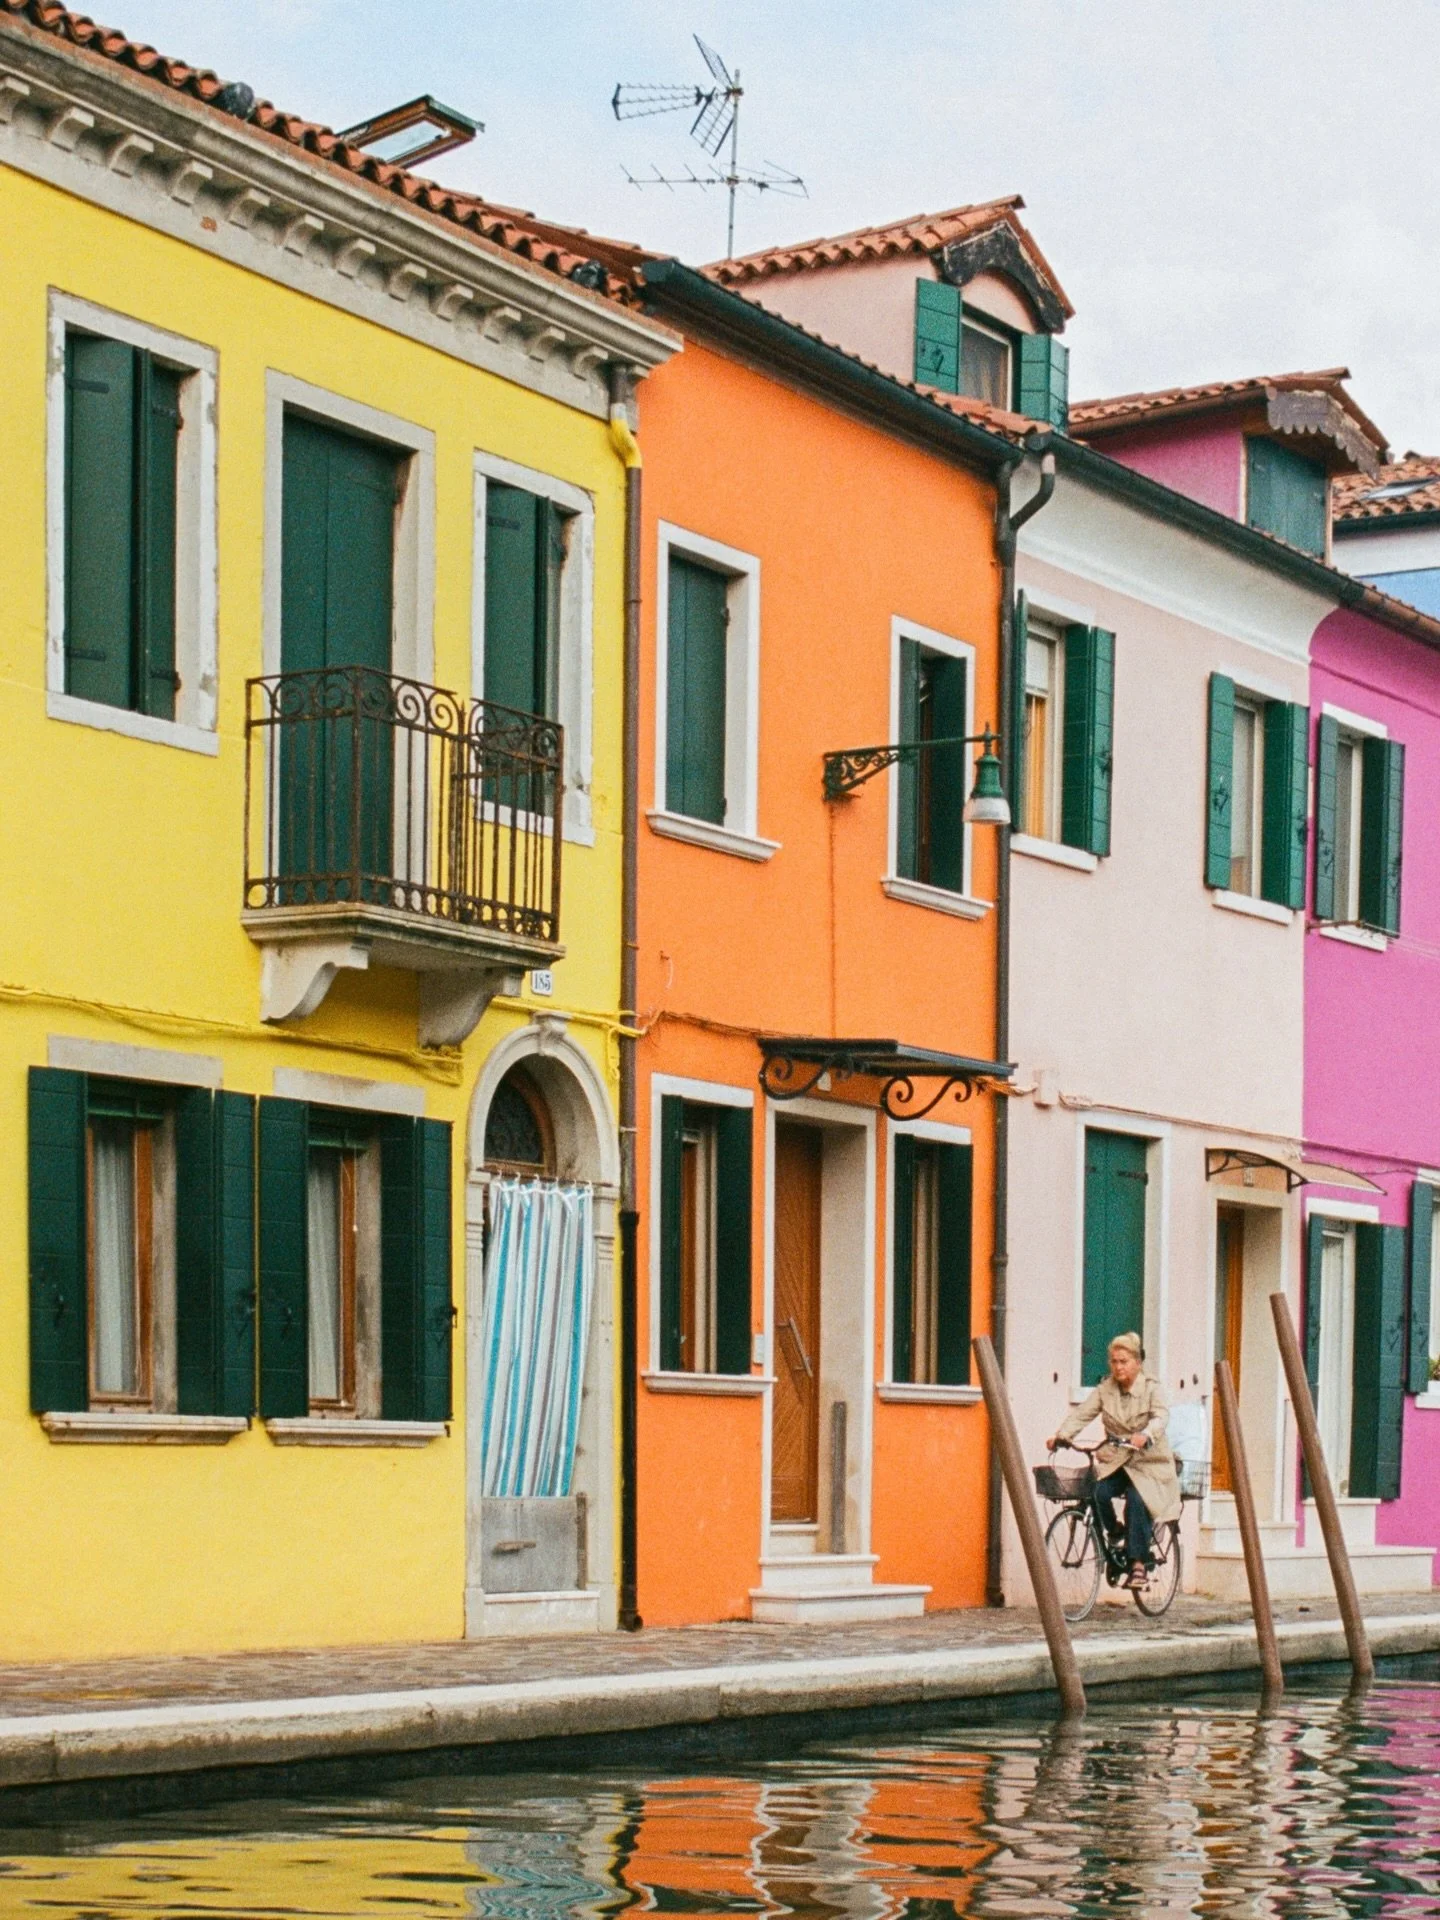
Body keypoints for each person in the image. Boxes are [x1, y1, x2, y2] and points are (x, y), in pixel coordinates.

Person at [1045, 1331, 1181, 1590]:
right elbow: (1083, 1414)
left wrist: (1146, 1435)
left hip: (1149, 1464)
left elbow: (1161, 1417)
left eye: (1124, 1361)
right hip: (1118, 1460)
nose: (1118, 1367)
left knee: (1137, 1499)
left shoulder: (1152, 1388)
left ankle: (1138, 1565)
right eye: (1114, 1362)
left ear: (1137, 1363)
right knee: (1097, 1491)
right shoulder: (1105, 1390)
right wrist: (1061, 1436)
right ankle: (1116, 1531)